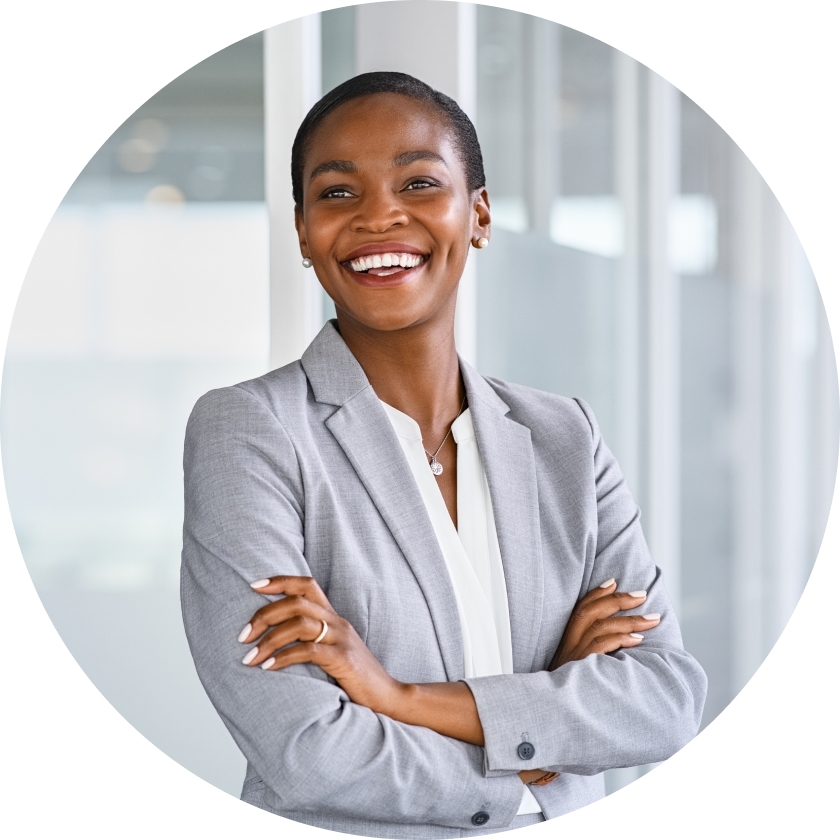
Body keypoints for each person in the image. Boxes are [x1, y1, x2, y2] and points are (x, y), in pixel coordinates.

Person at [181, 71, 707, 836]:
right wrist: (537, 747)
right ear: (302, 232)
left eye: (419, 182)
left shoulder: (565, 437)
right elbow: (305, 751)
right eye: (336, 194)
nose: (378, 216)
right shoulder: (250, 430)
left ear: (479, 214)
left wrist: (397, 697)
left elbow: (663, 699)